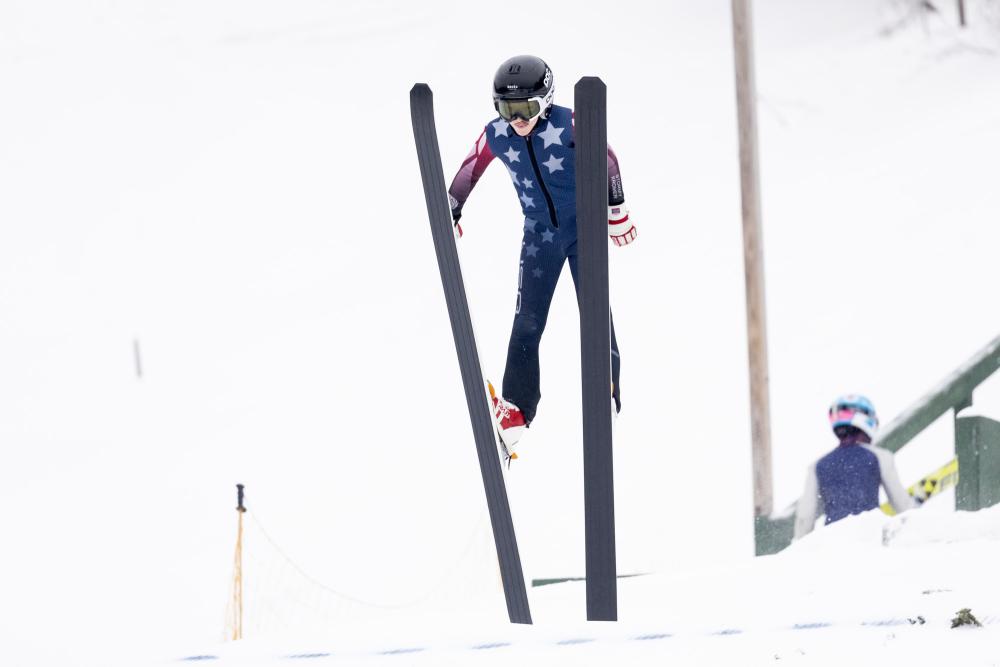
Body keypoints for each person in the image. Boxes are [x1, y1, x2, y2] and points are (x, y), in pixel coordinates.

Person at [447, 55, 636, 457]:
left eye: (526, 108)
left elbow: (608, 159)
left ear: (546, 100)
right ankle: (516, 410)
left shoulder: (569, 124)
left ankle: (608, 394)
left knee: (596, 314)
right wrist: (452, 206)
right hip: (539, 236)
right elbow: (469, 169)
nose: (517, 119)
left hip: (583, 229)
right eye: (507, 108)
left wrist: (616, 210)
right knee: (527, 321)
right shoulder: (496, 134)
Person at [794, 394, 916, 539]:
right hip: (869, 538)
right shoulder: (880, 457)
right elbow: (902, 505)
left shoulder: (817, 465)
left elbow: (805, 518)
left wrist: (798, 546)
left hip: (831, 543)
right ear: (866, 419)